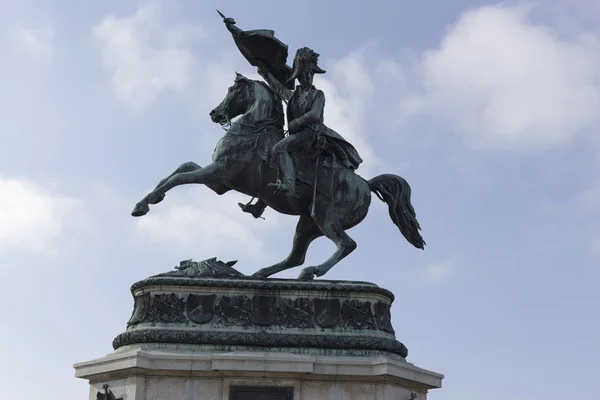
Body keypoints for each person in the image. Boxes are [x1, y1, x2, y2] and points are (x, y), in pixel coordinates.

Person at [257, 47, 363, 198]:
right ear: (298, 77)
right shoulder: (293, 96)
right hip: (300, 136)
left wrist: (296, 123)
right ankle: (261, 203)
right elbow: (279, 89)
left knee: (279, 148)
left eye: (310, 74)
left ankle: (289, 184)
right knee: (274, 160)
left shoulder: (318, 94)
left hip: (312, 135)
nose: (308, 77)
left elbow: (314, 114)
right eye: (305, 74)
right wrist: (265, 73)